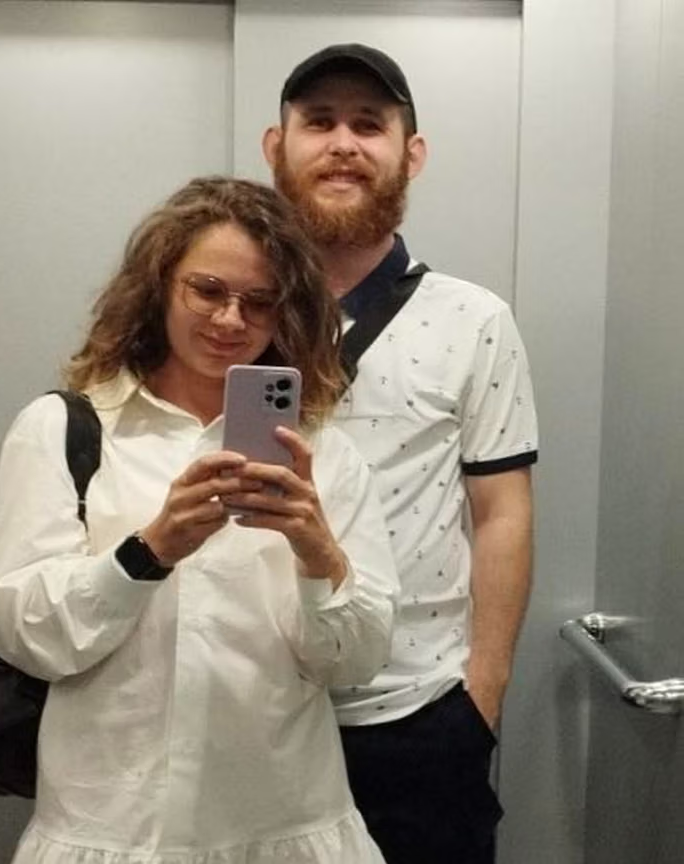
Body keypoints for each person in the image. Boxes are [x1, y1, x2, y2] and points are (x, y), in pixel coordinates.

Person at [0, 176, 398, 864]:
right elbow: (21, 635)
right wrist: (147, 552)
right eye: (207, 290)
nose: (231, 320)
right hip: (112, 829)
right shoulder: (65, 430)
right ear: (158, 287)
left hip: (284, 825)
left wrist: (317, 554)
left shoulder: (324, 456)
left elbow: (356, 662)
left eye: (260, 301)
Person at [262, 44, 539, 864]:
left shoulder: (475, 320)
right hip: (247, 707)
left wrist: (482, 697)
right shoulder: (226, 309)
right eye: (319, 122)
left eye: (368, 124)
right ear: (276, 148)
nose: (343, 144)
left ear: (410, 153)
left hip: (417, 719)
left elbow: (502, 513)